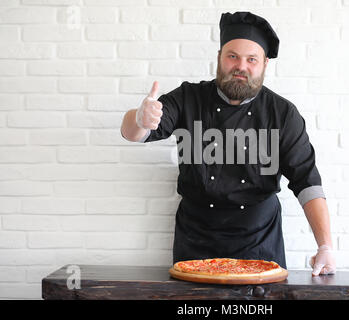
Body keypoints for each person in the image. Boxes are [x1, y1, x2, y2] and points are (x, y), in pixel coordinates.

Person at [121, 11, 336, 276]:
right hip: (196, 241)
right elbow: (134, 133)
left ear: (265, 64)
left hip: (260, 243)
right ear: (220, 57)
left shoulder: (282, 113)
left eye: (251, 59)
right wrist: (140, 118)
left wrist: (325, 245)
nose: (241, 66)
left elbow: (308, 182)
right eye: (232, 56)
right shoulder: (188, 98)